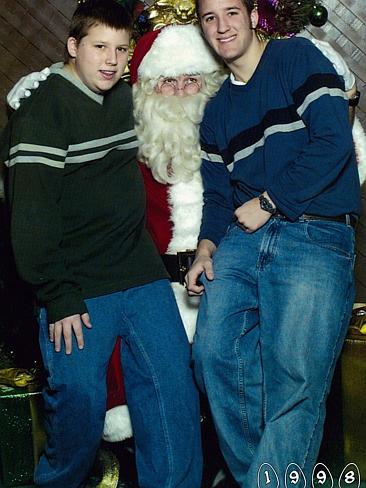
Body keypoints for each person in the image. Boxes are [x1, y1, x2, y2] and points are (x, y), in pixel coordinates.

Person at [0, 1, 202, 487]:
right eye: (98, 48)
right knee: (79, 408)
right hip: (76, 288)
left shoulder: (126, 96)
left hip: (141, 273)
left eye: (120, 50)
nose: (110, 60)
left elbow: (185, 87)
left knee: (172, 393)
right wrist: (57, 294)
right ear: (73, 47)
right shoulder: (42, 111)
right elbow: (29, 219)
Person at [185, 0, 361, 486]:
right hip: (242, 241)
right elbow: (218, 198)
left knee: (294, 382)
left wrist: (268, 201)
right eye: (209, 18)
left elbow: (333, 141)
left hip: (316, 232)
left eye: (231, 12)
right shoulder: (217, 111)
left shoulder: (296, 59)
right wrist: (205, 248)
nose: (222, 27)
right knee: (212, 357)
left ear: (253, 15)